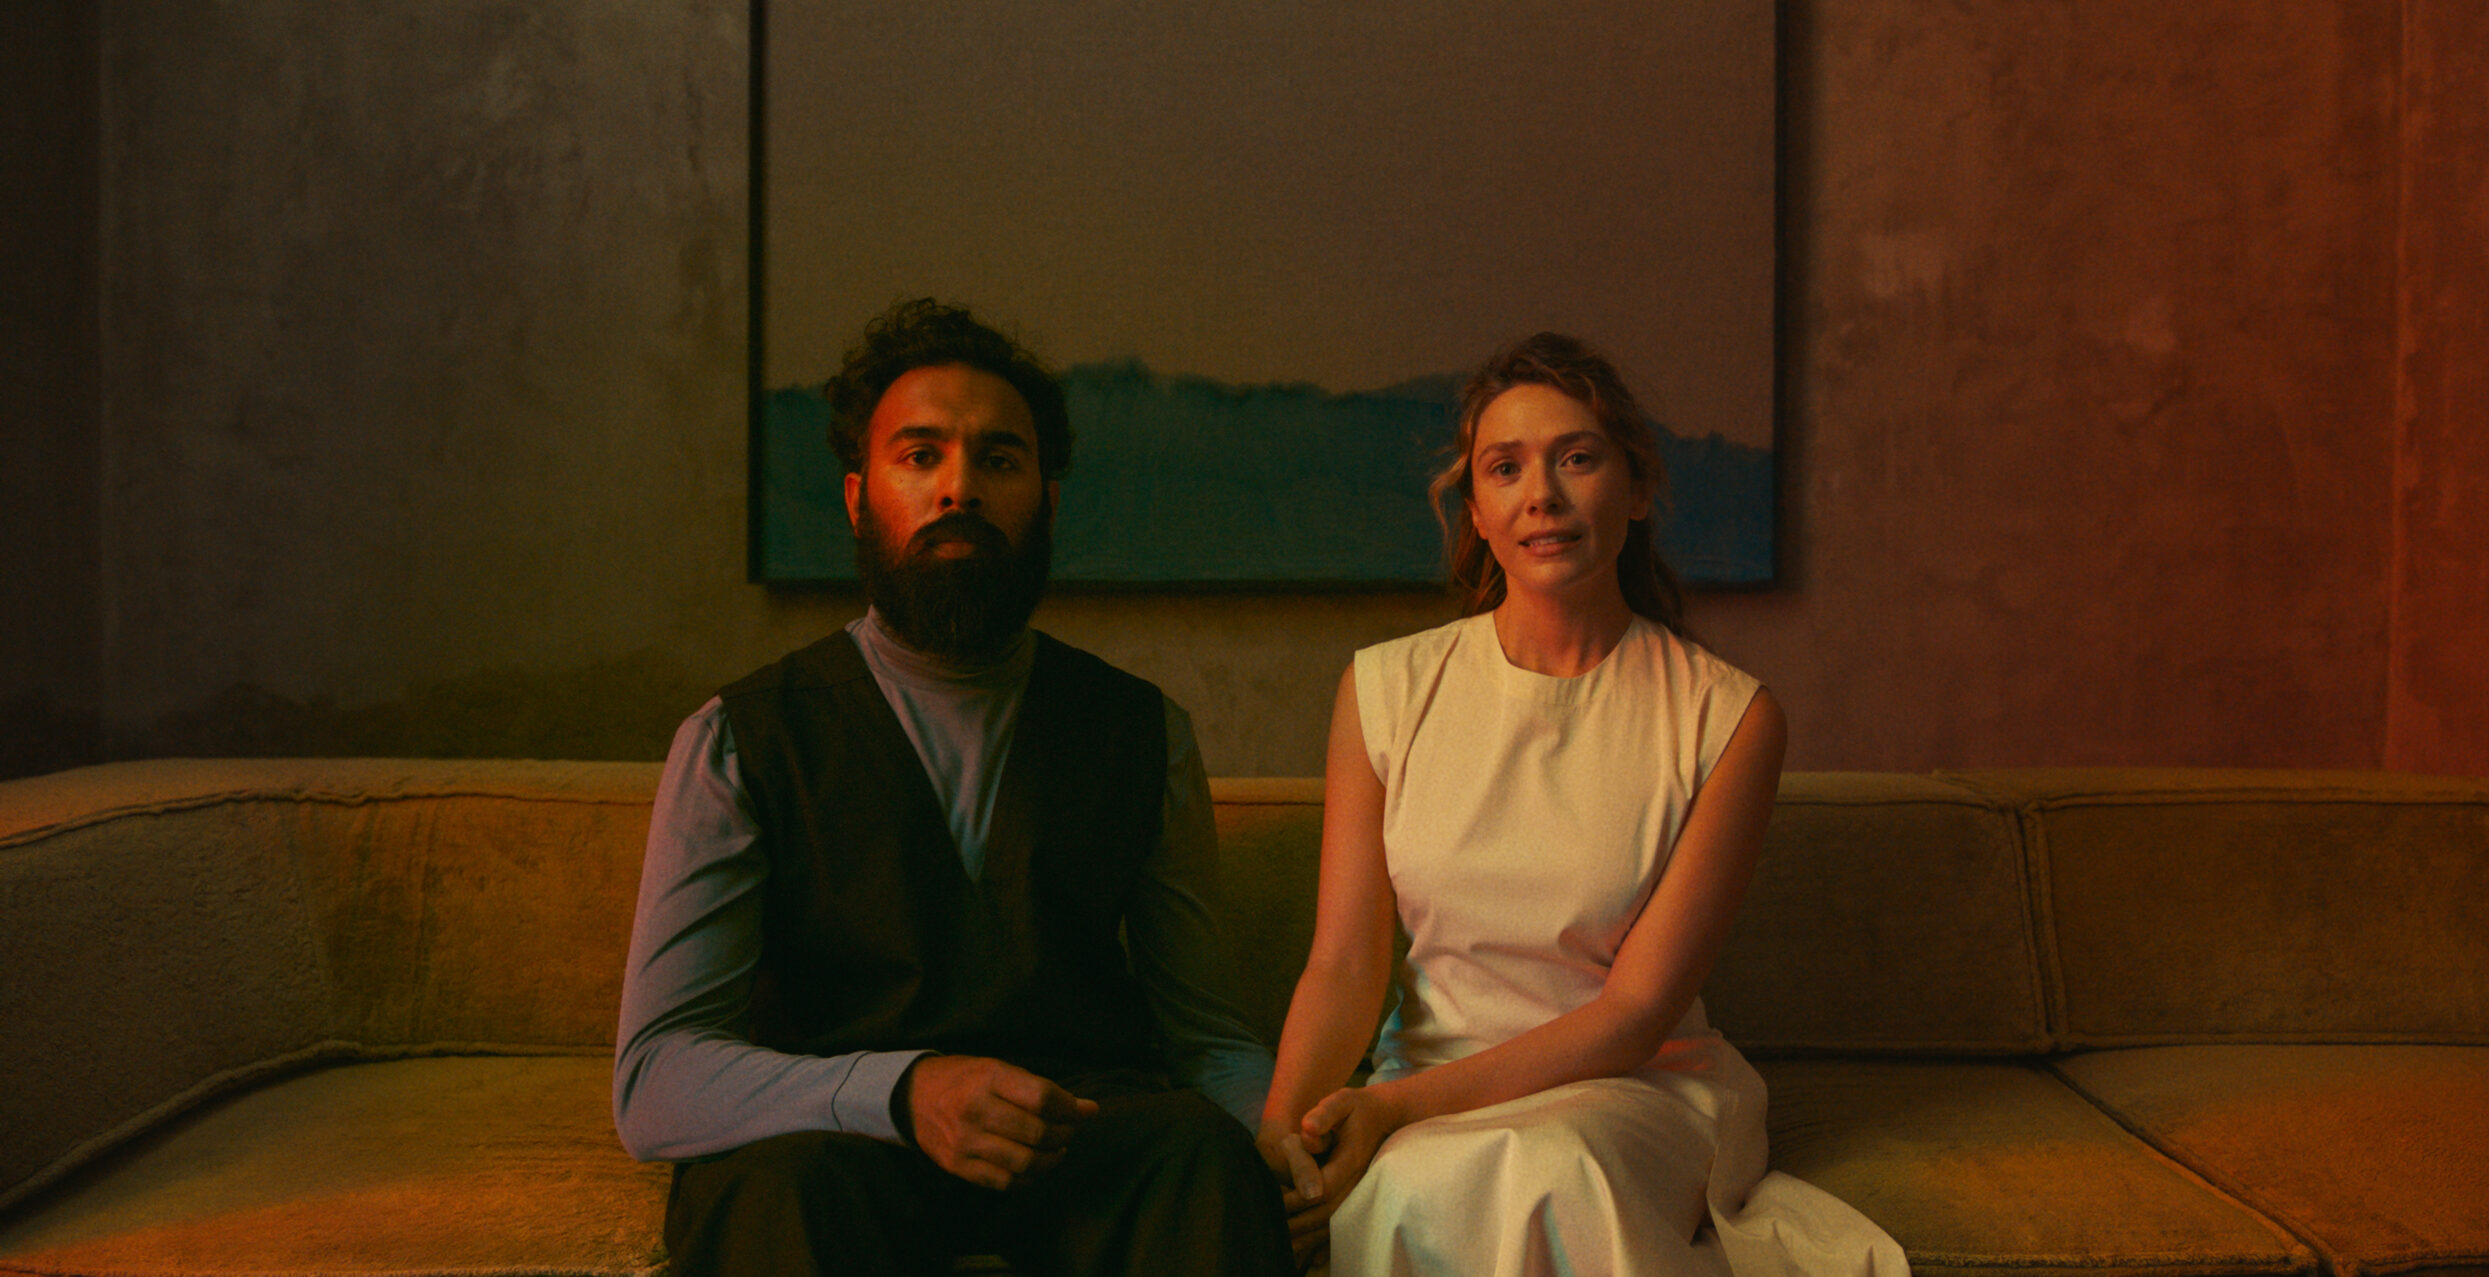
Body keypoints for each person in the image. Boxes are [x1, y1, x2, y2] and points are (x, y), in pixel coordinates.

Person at [614, 298, 1295, 1276]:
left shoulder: (1143, 732)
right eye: (921, 455)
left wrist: (1289, 1139)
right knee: (771, 1187)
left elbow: (1209, 1037)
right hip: (839, 1141)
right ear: (858, 498)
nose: (959, 487)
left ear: (1047, 502)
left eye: (998, 459)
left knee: (1201, 1155)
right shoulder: (740, 739)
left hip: (1078, 1132)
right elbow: (656, 1075)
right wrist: (905, 1091)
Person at [1255, 333, 1910, 1276]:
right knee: (1415, 1185)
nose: (1542, 495)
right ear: (1477, 512)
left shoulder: (1727, 716)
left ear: (1636, 490)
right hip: (1430, 1081)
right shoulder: (1383, 690)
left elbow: (1637, 1011)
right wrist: (1281, 1133)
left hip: (1634, 1088)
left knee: (1548, 1166)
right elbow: (1344, 963)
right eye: (1506, 468)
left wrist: (1395, 1109)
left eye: (1576, 458)